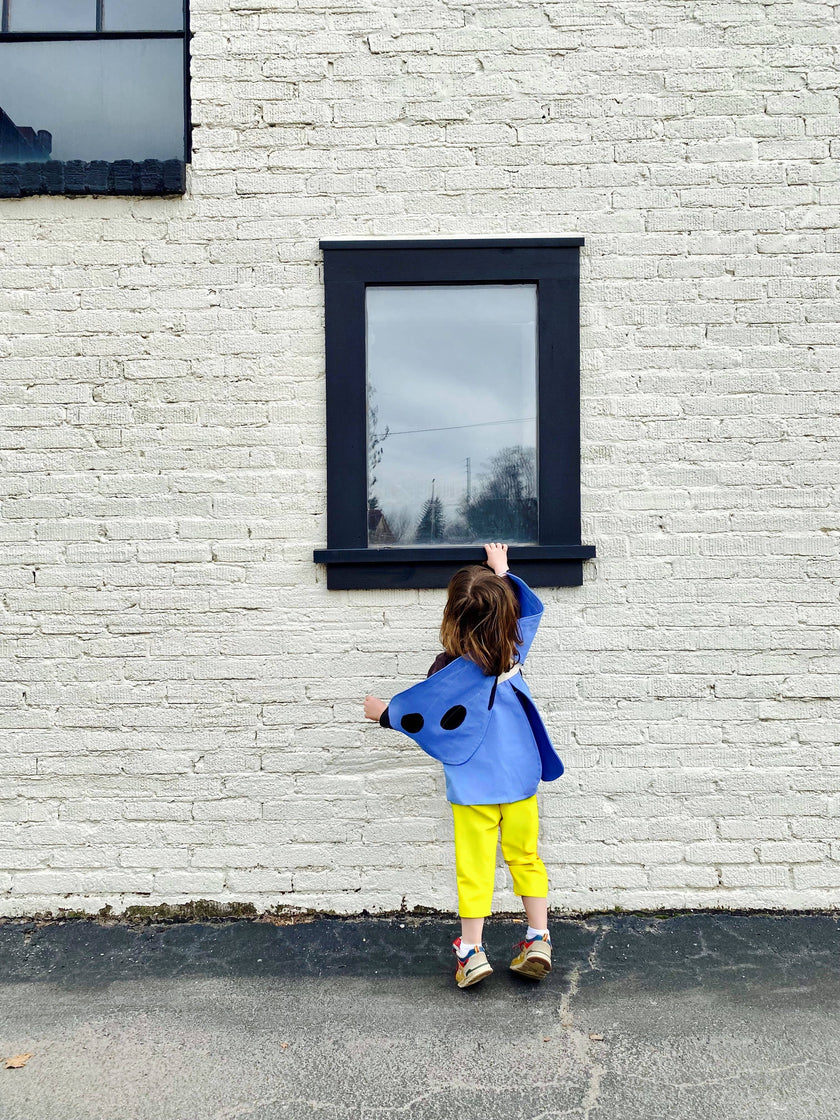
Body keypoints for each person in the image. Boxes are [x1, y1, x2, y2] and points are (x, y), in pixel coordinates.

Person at [363, 542, 565, 988]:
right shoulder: (512, 649)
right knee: (525, 857)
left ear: (452, 617)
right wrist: (503, 570)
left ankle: (471, 952)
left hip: (472, 786)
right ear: (503, 616)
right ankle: (538, 938)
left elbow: (424, 717)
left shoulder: (447, 670)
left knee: (474, 867)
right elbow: (527, 613)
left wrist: (383, 714)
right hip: (520, 781)